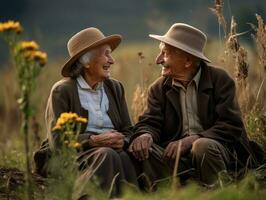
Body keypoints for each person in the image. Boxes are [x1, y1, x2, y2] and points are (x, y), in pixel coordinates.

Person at [128, 23, 264, 187]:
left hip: (217, 152)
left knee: (201, 146)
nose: (158, 60)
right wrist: (145, 134)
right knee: (143, 150)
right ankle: (172, 191)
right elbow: (150, 121)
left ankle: (220, 190)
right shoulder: (158, 89)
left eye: (165, 53)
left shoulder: (220, 80)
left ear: (187, 61)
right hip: (177, 157)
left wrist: (193, 140)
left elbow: (231, 125)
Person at [34, 27, 138, 197]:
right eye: (106, 54)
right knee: (107, 154)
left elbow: (128, 129)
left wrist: (123, 141)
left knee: (124, 157)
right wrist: (93, 141)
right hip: (74, 156)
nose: (111, 60)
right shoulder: (62, 91)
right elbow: (58, 141)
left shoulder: (115, 88)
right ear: (86, 62)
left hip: (109, 154)